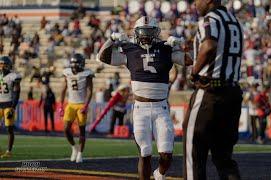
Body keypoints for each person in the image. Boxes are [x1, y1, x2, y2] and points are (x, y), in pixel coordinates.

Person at [97, 16, 193, 180]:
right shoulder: (129, 49)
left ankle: (160, 173)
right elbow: (103, 57)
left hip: (161, 108)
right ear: (136, 33)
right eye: (143, 32)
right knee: (145, 152)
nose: (146, 36)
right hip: (140, 108)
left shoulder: (167, 48)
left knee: (167, 154)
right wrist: (111, 39)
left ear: (156, 33)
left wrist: (181, 45)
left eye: (149, 32)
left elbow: (191, 60)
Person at [184, 0, 244, 179]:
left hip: (210, 93)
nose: (195, 3)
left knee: (194, 156)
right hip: (232, 92)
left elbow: (209, 46)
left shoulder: (209, 19)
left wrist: (194, 73)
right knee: (224, 160)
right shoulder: (234, 20)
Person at [59, 53, 94, 163]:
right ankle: (74, 147)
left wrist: (86, 105)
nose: (74, 66)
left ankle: (80, 153)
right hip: (70, 104)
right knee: (65, 129)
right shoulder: (67, 72)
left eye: (76, 64)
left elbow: (89, 90)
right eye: (73, 64)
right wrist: (61, 105)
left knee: (82, 131)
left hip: (81, 104)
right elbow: (63, 89)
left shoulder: (87, 74)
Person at [0, 56, 21, 158]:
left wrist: (13, 107)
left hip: (8, 104)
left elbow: (17, 92)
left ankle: (9, 151)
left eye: (4, 64)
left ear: (9, 65)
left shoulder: (13, 76)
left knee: (9, 129)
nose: (2, 66)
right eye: (1, 64)